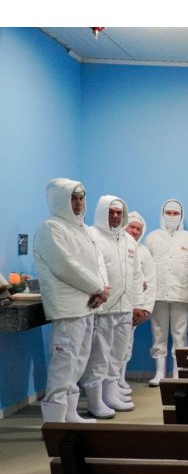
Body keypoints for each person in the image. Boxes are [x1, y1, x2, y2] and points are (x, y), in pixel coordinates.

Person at [33, 178, 108, 423]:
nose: (78, 203)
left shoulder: (83, 229)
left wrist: (102, 289)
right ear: (59, 200)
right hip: (67, 310)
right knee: (64, 365)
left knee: (79, 363)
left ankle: (70, 413)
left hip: (87, 306)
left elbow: (97, 263)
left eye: (80, 198)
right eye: (72, 198)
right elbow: (65, 266)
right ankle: (55, 422)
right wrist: (98, 288)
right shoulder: (50, 227)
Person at [84, 195, 148, 418]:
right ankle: (95, 402)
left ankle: (110, 395)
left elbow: (136, 275)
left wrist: (137, 304)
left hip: (125, 308)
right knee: (99, 356)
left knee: (118, 354)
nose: (115, 216)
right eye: (111, 212)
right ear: (102, 212)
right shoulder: (92, 235)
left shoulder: (128, 240)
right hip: (103, 309)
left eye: (119, 213)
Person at [144, 199, 188, 386]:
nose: (172, 217)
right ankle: (159, 372)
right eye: (169, 213)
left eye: (176, 213)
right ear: (162, 214)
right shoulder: (152, 238)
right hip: (157, 294)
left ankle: (177, 372)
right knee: (158, 333)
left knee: (180, 334)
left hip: (181, 294)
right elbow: (144, 266)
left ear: (182, 216)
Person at [121, 211, 157, 392]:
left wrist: (145, 308)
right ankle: (108, 385)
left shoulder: (143, 252)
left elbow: (150, 281)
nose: (134, 231)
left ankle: (120, 379)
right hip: (113, 307)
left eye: (138, 229)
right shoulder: (115, 246)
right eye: (131, 227)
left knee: (127, 345)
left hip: (134, 308)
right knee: (109, 347)